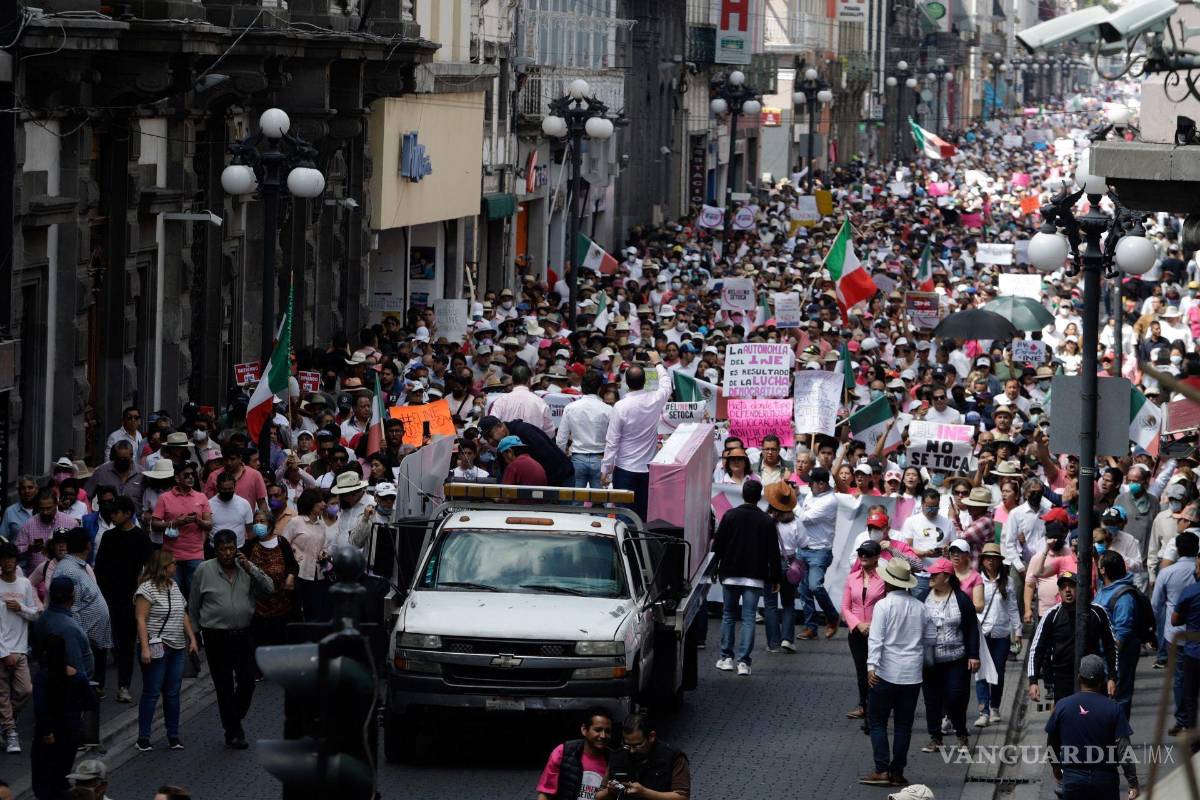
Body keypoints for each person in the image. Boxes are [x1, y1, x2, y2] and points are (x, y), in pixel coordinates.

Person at [188, 529, 274, 749]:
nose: (228, 553)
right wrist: (194, 636)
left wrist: (250, 567)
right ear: (215, 550)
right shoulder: (203, 570)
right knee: (224, 685)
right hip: (216, 636)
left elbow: (269, 589)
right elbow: (194, 604)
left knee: (247, 682)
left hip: (243, 634)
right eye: (223, 549)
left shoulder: (245, 568)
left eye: (231, 548)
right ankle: (234, 731)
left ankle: (234, 718)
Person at [861, 558, 932, 788]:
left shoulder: (884, 606)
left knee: (878, 721)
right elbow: (931, 638)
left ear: (889, 583)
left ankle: (882, 769)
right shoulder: (921, 607)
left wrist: (871, 666)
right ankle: (897, 771)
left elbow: (876, 639)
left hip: (885, 672)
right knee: (903, 724)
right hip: (912, 674)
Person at [1044, 654, 1140, 800]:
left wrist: (1057, 768)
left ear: (1079, 678)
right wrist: (1132, 783)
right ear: (1102, 681)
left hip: (1073, 779)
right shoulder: (1114, 708)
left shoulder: (1062, 706)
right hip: (1105, 780)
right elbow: (1123, 748)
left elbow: (1052, 743)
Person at [711, 480, 782, 677]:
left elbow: (718, 545)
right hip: (755, 576)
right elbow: (773, 553)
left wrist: (715, 568)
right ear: (760, 497)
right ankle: (744, 661)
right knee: (749, 617)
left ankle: (726, 657)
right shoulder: (766, 521)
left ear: (742, 494)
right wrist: (776, 578)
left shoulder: (730, 515)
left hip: (731, 573)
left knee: (728, 615)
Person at [134, 550, 198, 752]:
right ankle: (143, 737)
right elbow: (141, 619)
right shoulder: (146, 589)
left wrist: (192, 639)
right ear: (163, 567)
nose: (176, 566)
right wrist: (145, 647)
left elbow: (183, 613)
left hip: (177, 646)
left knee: (172, 692)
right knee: (152, 692)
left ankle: (173, 735)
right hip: (156, 647)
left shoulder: (174, 585)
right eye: (173, 563)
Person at [94, 495, 154, 705]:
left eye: (116, 512)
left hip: (130, 598)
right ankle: (98, 684)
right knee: (101, 642)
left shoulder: (140, 538)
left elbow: (150, 568)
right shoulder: (109, 537)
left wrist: (141, 589)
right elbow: (99, 568)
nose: (112, 515)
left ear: (127, 514)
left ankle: (124, 686)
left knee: (127, 644)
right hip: (107, 597)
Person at [1028, 571, 1118, 706]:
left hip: (1092, 678)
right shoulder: (1052, 615)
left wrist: (1112, 677)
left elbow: (1111, 645)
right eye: (1063, 587)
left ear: (1079, 588)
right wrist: (1033, 681)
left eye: (1071, 586)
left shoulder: (1097, 612)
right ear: (1059, 591)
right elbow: (1037, 649)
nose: (1067, 590)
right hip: (1063, 678)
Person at [600, 355, 673, 520]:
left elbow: (612, 441)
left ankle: (625, 545)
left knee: (624, 517)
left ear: (625, 382)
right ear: (645, 381)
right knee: (641, 518)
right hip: (646, 471)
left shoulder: (620, 407)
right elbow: (666, 383)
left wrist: (606, 469)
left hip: (624, 470)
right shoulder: (655, 399)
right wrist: (658, 363)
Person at [919, 558, 980, 753]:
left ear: (946, 577)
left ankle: (961, 735)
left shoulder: (961, 599)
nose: (931, 577)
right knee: (932, 699)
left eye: (935, 574)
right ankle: (935, 738)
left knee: (955, 697)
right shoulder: (922, 598)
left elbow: (971, 629)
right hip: (930, 661)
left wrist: (973, 655)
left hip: (956, 659)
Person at [30, 634, 97, 800]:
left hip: (47, 736)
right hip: (71, 733)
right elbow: (91, 702)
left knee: (43, 779)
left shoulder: (42, 677)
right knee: (62, 776)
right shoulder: (78, 677)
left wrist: (47, 731)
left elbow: (40, 707)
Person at [53, 528, 113, 698]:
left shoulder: (77, 567)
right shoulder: (70, 571)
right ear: (88, 546)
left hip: (90, 638)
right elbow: (72, 609)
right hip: (84, 639)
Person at [1152, 530, 1197, 734]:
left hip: (1176, 636)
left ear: (1177, 550)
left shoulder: (1167, 573)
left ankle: (1183, 720)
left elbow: (1156, 605)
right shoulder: (1195, 571)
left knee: (1180, 680)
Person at [151, 462, 213, 603]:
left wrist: (197, 520)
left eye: (193, 475)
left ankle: (193, 624)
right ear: (177, 478)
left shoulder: (201, 497)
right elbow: (154, 524)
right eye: (186, 475)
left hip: (195, 555)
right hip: (171, 556)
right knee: (172, 598)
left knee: (195, 597)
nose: (191, 477)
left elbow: (209, 525)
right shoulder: (164, 498)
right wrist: (176, 523)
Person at [973, 542, 1021, 728]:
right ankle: (983, 711)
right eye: (987, 558)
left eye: (994, 558)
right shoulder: (976, 580)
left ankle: (995, 707)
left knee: (999, 673)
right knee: (981, 673)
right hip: (981, 632)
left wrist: (1017, 631)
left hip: (1001, 633)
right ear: (982, 561)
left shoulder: (1007, 582)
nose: (990, 561)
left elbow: (1012, 608)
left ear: (999, 561)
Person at [595, 713, 690, 800]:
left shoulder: (673, 757)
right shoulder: (618, 756)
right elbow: (599, 796)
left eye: (637, 745)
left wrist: (645, 792)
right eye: (627, 745)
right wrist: (609, 791)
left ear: (651, 736)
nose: (631, 751)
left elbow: (682, 796)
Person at [1094, 550, 1142, 721]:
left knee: (1119, 696)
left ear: (1104, 570)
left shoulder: (1124, 597)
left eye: (1099, 566)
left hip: (1119, 657)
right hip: (1104, 655)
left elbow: (1122, 631)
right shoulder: (1106, 588)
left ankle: (1119, 739)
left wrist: (1112, 660)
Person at [242, 510, 299, 654]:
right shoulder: (250, 545)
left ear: (271, 524)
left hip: (282, 602)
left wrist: (290, 577)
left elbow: (293, 565)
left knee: (280, 642)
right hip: (258, 606)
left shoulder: (281, 542)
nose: (258, 525)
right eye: (256, 522)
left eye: (262, 522)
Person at [793, 466, 840, 640]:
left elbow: (805, 518)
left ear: (821, 484)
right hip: (803, 549)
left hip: (820, 551)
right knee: (804, 589)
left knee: (814, 586)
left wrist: (793, 501)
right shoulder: (812, 494)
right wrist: (797, 495)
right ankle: (811, 627)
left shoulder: (829, 500)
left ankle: (832, 616)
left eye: (811, 483)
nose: (809, 486)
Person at [0, 541, 37, 754]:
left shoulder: (24, 584)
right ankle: (10, 731)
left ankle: (6, 719)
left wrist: (20, 607)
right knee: (2, 693)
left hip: (21, 647)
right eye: (4, 558)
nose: (8, 562)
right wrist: (4, 653)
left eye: (11, 558)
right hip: (2, 649)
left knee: (25, 690)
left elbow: (34, 613)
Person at [842, 539, 885, 722]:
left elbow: (888, 605)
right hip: (857, 632)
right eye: (861, 553)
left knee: (878, 670)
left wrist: (873, 625)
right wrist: (858, 624)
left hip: (878, 631)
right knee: (861, 671)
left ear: (877, 557)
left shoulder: (885, 577)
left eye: (868, 554)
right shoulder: (852, 578)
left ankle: (878, 706)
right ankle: (863, 705)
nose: (863, 557)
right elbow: (845, 607)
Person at [535, 707, 613, 800]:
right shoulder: (563, 752)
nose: (603, 736)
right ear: (584, 729)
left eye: (607, 731)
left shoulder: (613, 759)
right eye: (598, 730)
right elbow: (545, 793)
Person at [280, 489, 332, 622]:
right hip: (299, 574)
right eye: (320, 501)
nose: (324, 504)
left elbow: (324, 546)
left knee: (315, 612)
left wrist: (323, 552)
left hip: (317, 575)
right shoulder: (295, 522)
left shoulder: (321, 524)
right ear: (311, 503)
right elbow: (283, 545)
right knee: (296, 611)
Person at [555, 370, 612, 490]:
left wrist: (563, 461)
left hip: (577, 459)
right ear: (599, 388)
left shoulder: (570, 408)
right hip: (600, 459)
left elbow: (561, 440)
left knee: (576, 502)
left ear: (581, 386)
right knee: (599, 503)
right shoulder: (608, 410)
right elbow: (613, 440)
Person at [762, 481, 799, 653]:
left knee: (770, 604)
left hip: (769, 563)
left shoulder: (765, 521)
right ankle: (787, 639)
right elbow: (805, 542)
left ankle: (773, 643)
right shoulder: (795, 522)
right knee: (788, 603)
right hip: (789, 563)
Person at [32, 577, 94, 680]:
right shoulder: (68, 628)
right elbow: (76, 669)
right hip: (70, 688)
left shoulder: (42, 618)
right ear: (72, 596)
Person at [901, 489, 956, 602]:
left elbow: (954, 548)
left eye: (935, 507)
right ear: (922, 505)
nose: (932, 511)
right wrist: (925, 553)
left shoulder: (948, 523)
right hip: (920, 575)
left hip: (942, 577)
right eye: (929, 507)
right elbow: (906, 550)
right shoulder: (911, 521)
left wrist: (947, 550)